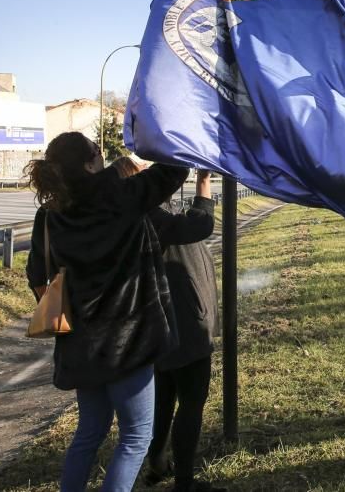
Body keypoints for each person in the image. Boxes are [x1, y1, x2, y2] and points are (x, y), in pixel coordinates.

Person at [24, 133, 188, 492]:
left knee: (89, 432)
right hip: (128, 341)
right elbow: (174, 170)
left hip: (80, 344)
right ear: (90, 161)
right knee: (135, 437)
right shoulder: (122, 196)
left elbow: (36, 276)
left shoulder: (48, 216)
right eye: (97, 152)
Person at [111, 160, 225, 492]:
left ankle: (157, 464)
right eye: (143, 169)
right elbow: (200, 225)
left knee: (164, 398)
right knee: (191, 400)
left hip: (155, 322)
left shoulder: (125, 215)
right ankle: (184, 482)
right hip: (183, 320)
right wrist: (204, 181)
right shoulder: (148, 215)